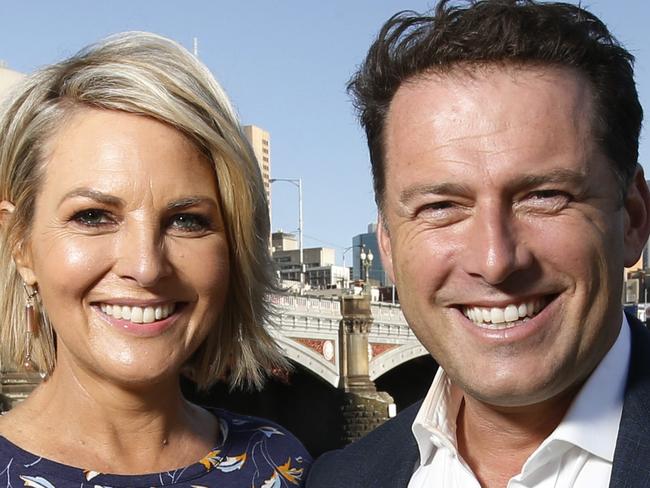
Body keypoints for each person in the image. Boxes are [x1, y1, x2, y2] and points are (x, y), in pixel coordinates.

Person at [308, 1, 650, 487]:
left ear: (633, 218)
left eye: (544, 196)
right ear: (387, 244)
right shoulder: (340, 479)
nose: (495, 261)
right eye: (440, 207)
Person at [0, 32, 310, 487]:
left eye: (186, 221)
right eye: (92, 216)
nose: (146, 266)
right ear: (20, 244)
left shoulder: (282, 464)